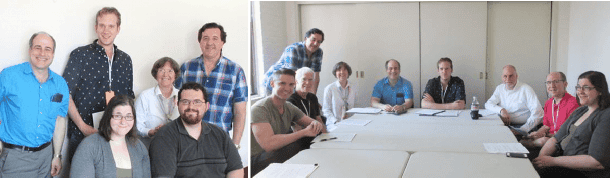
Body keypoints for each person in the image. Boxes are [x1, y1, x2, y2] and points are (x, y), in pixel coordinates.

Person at [63, 7, 135, 167]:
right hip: (83, 135)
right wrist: (83, 127)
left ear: (118, 29)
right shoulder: (79, 55)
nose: (106, 30)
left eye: (111, 26)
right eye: (102, 25)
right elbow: (64, 93)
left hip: (117, 136)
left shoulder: (126, 60)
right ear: (95, 27)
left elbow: (129, 98)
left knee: (117, 175)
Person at [0, 32, 69, 177]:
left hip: (46, 158)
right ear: (30, 50)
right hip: (15, 158)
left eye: (48, 49)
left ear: (53, 53)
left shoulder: (60, 84)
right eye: (38, 47)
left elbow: (60, 120)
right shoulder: (9, 76)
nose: (42, 53)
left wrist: (57, 155)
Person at [174, 22, 247, 148]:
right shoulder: (187, 67)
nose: (209, 43)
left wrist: (235, 144)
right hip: (187, 140)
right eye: (205, 38)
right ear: (200, 42)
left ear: (222, 42)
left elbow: (240, 112)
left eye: (215, 39)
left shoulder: (235, 71)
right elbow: (174, 101)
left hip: (219, 141)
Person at [149, 82, 243, 177]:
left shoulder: (220, 134)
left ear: (207, 106)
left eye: (197, 102)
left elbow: (236, 169)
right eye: (185, 101)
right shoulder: (164, 137)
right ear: (177, 104)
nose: (191, 107)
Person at [533, 71, 610, 177]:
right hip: (560, 160)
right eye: (579, 87)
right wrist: (541, 159)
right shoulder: (580, 111)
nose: (580, 91)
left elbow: (596, 162)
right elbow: (555, 139)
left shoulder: (605, 116)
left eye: (586, 87)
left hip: (580, 172)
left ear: (600, 90)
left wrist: (552, 161)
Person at [250, 69, 326, 176]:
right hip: (257, 160)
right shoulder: (259, 109)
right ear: (272, 83)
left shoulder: (289, 107)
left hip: (277, 153)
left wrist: (315, 125)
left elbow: (313, 123)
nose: (287, 88)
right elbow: (269, 145)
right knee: (297, 145)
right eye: (282, 83)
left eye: (291, 84)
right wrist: (304, 132)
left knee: (308, 141)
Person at [70, 95, 150, 177]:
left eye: (128, 116)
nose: (123, 121)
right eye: (118, 116)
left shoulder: (140, 147)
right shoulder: (89, 145)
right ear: (109, 117)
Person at [521, 72, 579, 148]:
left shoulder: (573, 103)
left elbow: (569, 132)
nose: (552, 85)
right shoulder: (548, 103)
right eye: (548, 82)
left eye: (556, 82)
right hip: (548, 138)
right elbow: (546, 126)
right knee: (522, 140)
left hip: (562, 141)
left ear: (565, 84)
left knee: (541, 141)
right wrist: (537, 133)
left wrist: (544, 135)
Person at [262, 28, 325, 95]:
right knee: (278, 104)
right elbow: (291, 76)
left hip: (289, 82)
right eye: (313, 40)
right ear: (306, 39)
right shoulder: (294, 49)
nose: (315, 43)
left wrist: (313, 97)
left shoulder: (318, 52)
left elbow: (315, 76)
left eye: (319, 42)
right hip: (274, 82)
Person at [134, 57, 181, 147]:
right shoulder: (144, 96)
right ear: (155, 75)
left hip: (176, 145)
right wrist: (152, 132)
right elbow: (137, 127)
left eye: (170, 71)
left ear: (175, 75)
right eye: (161, 70)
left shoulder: (182, 96)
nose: (165, 74)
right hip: (151, 145)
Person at [485, 65, 543, 135]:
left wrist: (523, 129)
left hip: (523, 126)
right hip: (505, 125)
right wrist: (501, 110)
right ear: (502, 77)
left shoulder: (526, 89)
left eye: (511, 76)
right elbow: (488, 104)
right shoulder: (499, 88)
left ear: (516, 76)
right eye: (505, 76)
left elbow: (538, 112)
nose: (508, 79)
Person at [323, 62, 357, 130]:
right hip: (334, 124)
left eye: (344, 70)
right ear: (335, 73)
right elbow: (326, 110)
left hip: (350, 122)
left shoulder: (353, 87)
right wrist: (335, 122)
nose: (342, 72)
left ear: (348, 72)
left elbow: (355, 106)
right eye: (339, 70)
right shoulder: (329, 88)